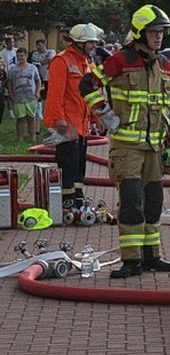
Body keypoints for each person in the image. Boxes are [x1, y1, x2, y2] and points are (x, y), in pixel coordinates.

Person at [80, 4, 170, 278]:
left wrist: (168, 129)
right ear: (139, 33)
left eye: (161, 32)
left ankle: (152, 256)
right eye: (153, 32)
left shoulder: (165, 65)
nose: (159, 37)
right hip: (127, 147)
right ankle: (131, 260)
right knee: (132, 202)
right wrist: (105, 114)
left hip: (155, 148)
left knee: (154, 202)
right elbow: (87, 84)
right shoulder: (120, 61)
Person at [44, 23, 103, 215]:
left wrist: (96, 118)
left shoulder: (87, 63)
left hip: (82, 124)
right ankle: (66, 200)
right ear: (80, 42)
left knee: (79, 164)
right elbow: (54, 94)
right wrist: (58, 119)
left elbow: (92, 94)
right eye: (91, 42)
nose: (94, 46)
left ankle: (77, 197)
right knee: (68, 164)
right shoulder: (62, 61)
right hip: (68, 124)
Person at [8, 47, 41, 142]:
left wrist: (37, 92)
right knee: (20, 119)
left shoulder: (32, 67)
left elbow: (38, 80)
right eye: (18, 56)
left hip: (31, 97)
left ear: (26, 55)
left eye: (22, 56)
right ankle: (20, 138)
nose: (20, 58)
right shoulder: (13, 70)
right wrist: (11, 95)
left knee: (31, 118)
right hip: (18, 98)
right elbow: (9, 83)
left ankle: (32, 137)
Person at [31, 39, 54, 121]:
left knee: (49, 96)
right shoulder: (35, 54)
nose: (38, 47)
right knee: (41, 96)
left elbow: (50, 59)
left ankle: (48, 112)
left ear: (45, 45)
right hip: (39, 79)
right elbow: (33, 62)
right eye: (37, 46)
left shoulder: (51, 52)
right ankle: (41, 113)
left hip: (49, 77)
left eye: (40, 45)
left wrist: (40, 62)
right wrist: (43, 61)